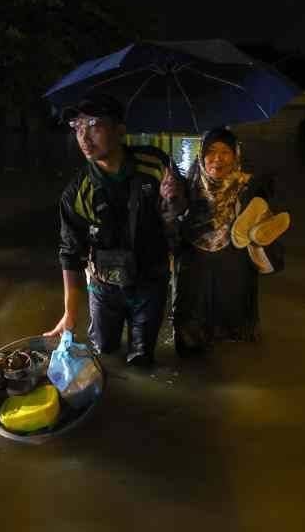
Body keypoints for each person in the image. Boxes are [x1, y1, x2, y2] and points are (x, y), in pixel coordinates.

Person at [44, 92, 186, 367]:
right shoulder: (76, 194)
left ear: (120, 129)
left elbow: (176, 215)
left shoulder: (155, 164)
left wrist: (175, 198)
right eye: (77, 127)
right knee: (104, 352)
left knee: (142, 359)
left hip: (151, 280)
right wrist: (69, 314)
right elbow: (71, 254)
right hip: (104, 285)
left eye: (94, 125)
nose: (84, 138)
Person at [171, 127, 289, 356]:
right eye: (211, 151)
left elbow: (271, 221)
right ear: (201, 156)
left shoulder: (251, 187)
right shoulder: (184, 187)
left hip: (234, 269)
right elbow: (170, 231)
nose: (217, 159)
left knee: (234, 344)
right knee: (190, 340)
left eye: (225, 152)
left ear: (236, 156)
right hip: (194, 269)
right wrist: (169, 201)